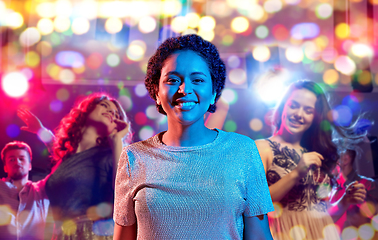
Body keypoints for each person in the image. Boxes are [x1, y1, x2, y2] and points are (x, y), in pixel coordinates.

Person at [113, 34, 274, 240]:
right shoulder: (133, 157)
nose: (184, 89)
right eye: (172, 80)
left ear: (214, 91)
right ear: (156, 91)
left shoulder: (243, 150)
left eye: (197, 80)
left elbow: (260, 236)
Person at [255, 80, 367, 240]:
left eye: (308, 110)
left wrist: (344, 202)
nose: (299, 114)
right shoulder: (261, 148)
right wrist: (296, 173)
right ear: (283, 107)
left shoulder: (317, 153)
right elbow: (255, 205)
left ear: (315, 117)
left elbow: (321, 215)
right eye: (293, 105)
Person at [43, 93, 131, 240]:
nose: (111, 112)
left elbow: (125, 198)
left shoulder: (112, 154)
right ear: (85, 110)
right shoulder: (64, 159)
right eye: (104, 105)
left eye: (116, 113)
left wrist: (117, 141)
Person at [0, 141, 49, 240]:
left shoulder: (42, 189)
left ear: (30, 166)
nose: (17, 162)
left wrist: (42, 132)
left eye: (21, 159)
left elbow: (66, 161)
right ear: (5, 168)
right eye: (12, 159)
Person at [331, 140, 378, 235]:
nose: (327, 163)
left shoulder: (368, 184)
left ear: (345, 160)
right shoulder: (332, 190)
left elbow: (374, 218)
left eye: (331, 157)